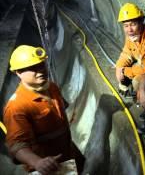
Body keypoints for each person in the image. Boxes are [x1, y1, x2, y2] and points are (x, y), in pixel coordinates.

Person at [3, 45, 85, 174]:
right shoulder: (17, 106)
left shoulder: (51, 87)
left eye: (41, 65)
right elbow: (17, 144)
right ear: (18, 73)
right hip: (46, 164)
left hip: (68, 152)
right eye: (32, 68)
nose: (40, 71)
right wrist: (37, 162)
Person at [116, 3, 145, 97]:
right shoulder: (131, 36)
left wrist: (125, 71)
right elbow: (126, 53)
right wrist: (119, 67)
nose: (129, 30)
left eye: (133, 24)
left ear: (141, 22)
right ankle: (133, 91)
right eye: (126, 26)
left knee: (137, 82)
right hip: (143, 66)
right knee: (121, 68)